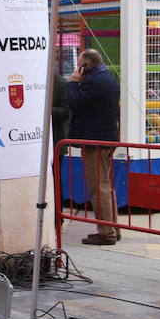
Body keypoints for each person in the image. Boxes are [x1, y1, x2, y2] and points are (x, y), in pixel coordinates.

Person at [67, 49, 121, 245]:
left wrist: (73, 81)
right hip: (107, 138)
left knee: (99, 187)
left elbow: (73, 102)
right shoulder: (108, 77)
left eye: (79, 64)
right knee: (106, 185)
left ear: (86, 64)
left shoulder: (93, 81)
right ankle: (113, 228)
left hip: (95, 141)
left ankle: (106, 233)